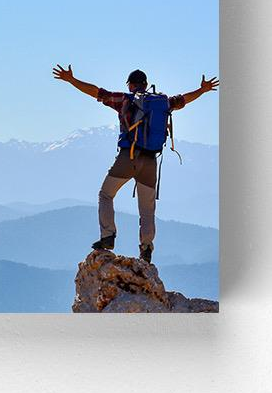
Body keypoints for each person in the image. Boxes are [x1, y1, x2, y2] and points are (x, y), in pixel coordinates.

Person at [51, 65, 219, 262]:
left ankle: (108, 237)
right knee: (147, 210)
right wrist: (203, 89)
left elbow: (97, 92)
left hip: (128, 156)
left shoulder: (124, 100)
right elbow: (183, 99)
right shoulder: (163, 102)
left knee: (106, 194)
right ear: (146, 85)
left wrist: (72, 80)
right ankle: (146, 248)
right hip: (150, 160)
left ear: (130, 85)